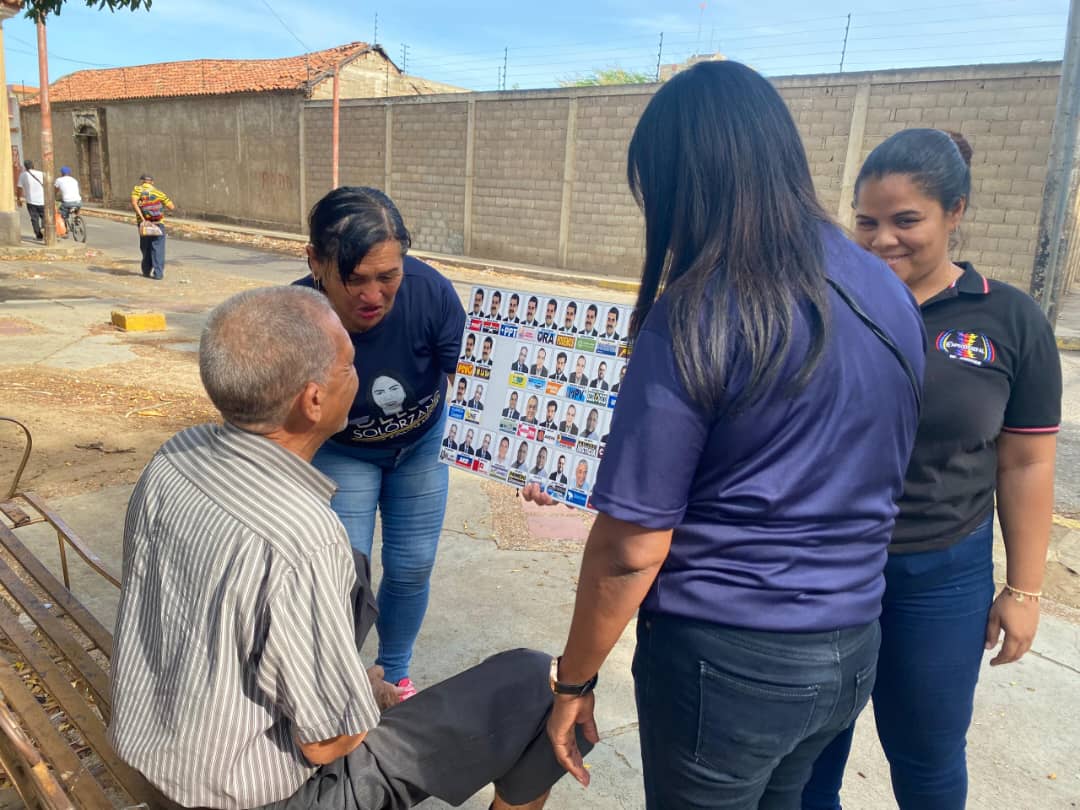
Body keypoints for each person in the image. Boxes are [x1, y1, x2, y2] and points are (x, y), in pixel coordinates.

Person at [525, 60, 926, 809]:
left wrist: (574, 680)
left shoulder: (703, 308)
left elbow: (630, 548)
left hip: (728, 659)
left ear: (686, 181)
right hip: (850, 645)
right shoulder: (886, 289)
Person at [110, 286, 589, 810]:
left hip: (155, 754)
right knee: (538, 683)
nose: (359, 376)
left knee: (355, 576)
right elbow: (327, 744)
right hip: (257, 796)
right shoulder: (302, 535)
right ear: (313, 401)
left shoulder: (176, 454)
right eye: (349, 366)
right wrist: (366, 697)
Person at [802, 130, 1062, 810]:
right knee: (805, 758)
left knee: (927, 758)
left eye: (905, 220)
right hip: (821, 567)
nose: (882, 239)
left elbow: (1028, 461)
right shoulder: (827, 305)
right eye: (866, 221)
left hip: (941, 576)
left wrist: (1025, 592)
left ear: (956, 211)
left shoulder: (1008, 318)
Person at [295, 187, 466, 699]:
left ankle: (393, 675)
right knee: (345, 574)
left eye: (388, 276)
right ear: (316, 263)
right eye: (355, 279)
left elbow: (479, 390)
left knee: (413, 564)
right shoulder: (297, 318)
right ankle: (339, 684)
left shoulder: (432, 295)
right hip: (343, 451)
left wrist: (521, 470)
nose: (373, 295)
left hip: (420, 444)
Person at [131, 173, 175, 280]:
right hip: (158, 224)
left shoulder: (137, 190)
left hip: (144, 225)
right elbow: (172, 207)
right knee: (158, 248)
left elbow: (134, 203)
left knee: (146, 247)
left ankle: (146, 271)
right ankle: (158, 273)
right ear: (152, 182)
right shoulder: (159, 193)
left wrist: (142, 218)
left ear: (142, 181)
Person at [16, 159, 45, 240]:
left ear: (25, 167)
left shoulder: (23, 175)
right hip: (43, 200)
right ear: (33, 166)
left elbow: (19, 188)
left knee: (34, 218)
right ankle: (44, 229)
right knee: (44, 217)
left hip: (31, 201)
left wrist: (19, 199)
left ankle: (39, 236)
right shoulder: (41, 173)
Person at [54, 166, 82, 232]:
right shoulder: (74, 180)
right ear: (69, 173)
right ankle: (77, 218)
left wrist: (54, 197)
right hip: (78, 201)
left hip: (67, 202)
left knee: (62, 213)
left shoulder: (59, 180)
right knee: (77, 207)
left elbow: (55, 190)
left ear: (61, 173)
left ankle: (65, 230)